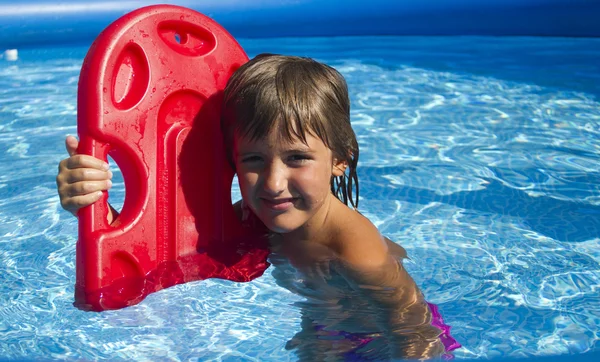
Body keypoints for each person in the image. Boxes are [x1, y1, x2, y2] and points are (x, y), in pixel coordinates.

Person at [57, 54, 460, 360]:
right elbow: (159, 272)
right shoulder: (253, 221)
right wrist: (95, 213)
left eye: (297, 158)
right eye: (253, 160)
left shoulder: (356, 249)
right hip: (324, 335)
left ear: (340, 157)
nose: (272, 183)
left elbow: (416, 333)